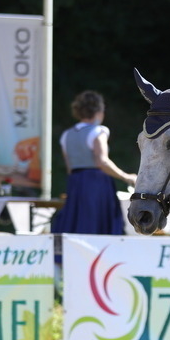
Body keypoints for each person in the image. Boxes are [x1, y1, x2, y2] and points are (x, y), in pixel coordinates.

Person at [52, 90, 137, 235]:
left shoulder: (66, 135)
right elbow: (102, 161)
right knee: (99, 227)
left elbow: (69, 168)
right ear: (99, 112)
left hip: (76, 184)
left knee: (78, 224)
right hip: (97, 185)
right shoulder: (99, 131)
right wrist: (126, 177)